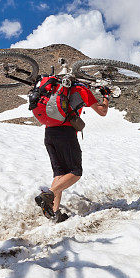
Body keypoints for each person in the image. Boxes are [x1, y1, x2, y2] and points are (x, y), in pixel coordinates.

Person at [35, 83, 110, 223]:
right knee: (75, 172)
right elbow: (102, 111)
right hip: (66, 133)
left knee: (60, 174)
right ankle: (48, 195)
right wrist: (106, 96)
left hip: (49, 132)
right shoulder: (81, 89)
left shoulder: (54, 87)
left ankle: (55, 213)